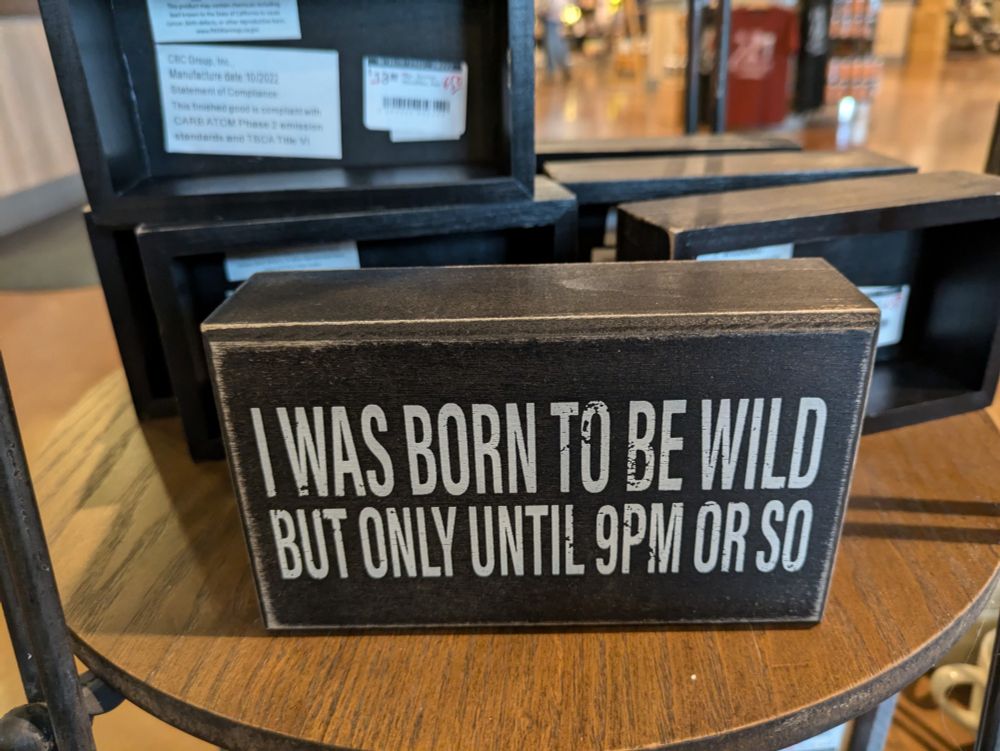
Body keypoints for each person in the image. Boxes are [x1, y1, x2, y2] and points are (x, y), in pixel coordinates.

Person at [539, 0, 571, 80]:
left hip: (554, 22)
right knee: (557, 46)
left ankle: (555, 69)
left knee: (553, 46)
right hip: (556, 22)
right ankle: (560, 68)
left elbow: (546, 10)